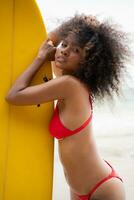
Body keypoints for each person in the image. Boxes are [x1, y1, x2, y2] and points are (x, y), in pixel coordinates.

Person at [5, 14, 130, 200]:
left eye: (76, 50)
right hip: (79, 189)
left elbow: (13, 96)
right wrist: (79, 23)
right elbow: (50, 39)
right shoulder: (69, 79)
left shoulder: (69, 85)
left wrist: (40, 58)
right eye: (64, 45)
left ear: (87, 61)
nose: (64, 51)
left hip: (102, 188)